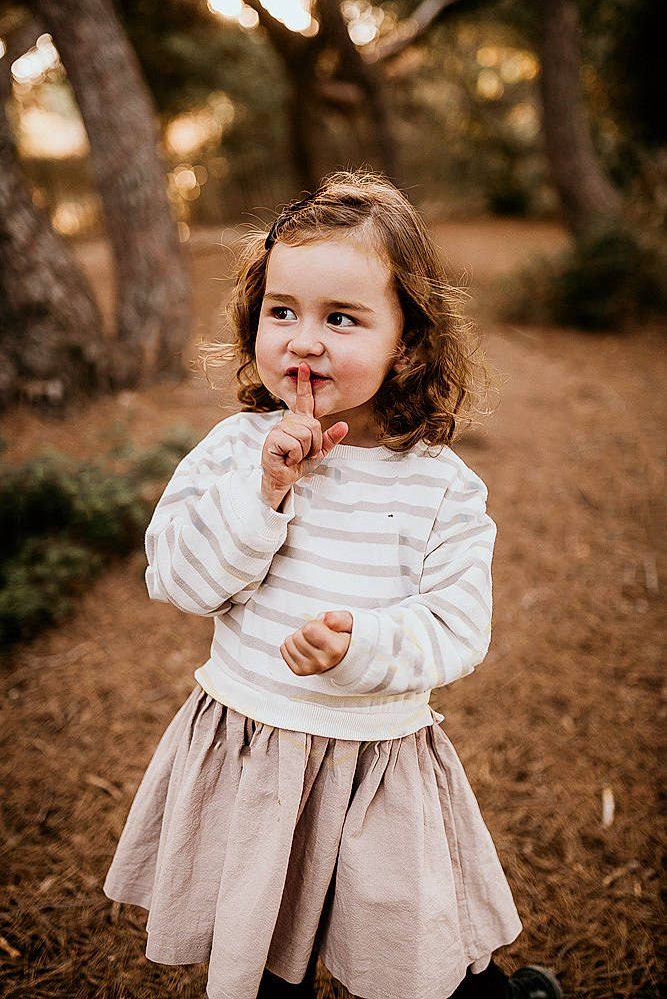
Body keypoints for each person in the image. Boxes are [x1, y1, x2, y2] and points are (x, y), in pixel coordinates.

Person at [103, 170, 563, 999]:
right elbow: (175, 578)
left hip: (373, 767)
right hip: (252, 753)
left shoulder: (439, 487)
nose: (303, 341)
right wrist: (265, 492)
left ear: (408, 340)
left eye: (341, 319)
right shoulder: (234, 450)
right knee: (264, 952)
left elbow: (458, 627)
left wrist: (365, 645)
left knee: (412, 952)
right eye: (282, 312)